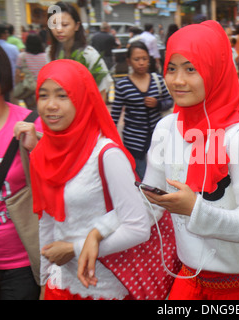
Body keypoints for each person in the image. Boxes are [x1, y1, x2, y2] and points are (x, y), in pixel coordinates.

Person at [142, 20, 239, 300]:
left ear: (215, 70)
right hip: (190, 279)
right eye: (172, 68)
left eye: (191, 69)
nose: (178, 80)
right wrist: (94, 233)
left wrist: (195, 209)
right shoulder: (166, 129)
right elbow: (148, 206)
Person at [14, 59, 151, 300]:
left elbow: (138, 227)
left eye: (63, 96)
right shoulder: (44, 152)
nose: (51, 105)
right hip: (59, 284)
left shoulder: (106, 154)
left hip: (103, 288)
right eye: (43, 96)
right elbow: (46, 221)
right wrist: (45, 282)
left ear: (82, 98)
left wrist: (74, 249)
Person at [0, 39, 42, 300]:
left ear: (2, 77)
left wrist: (38, 150)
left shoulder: (29, 123)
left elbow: (56, 185)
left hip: (21, 264)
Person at [110, 41, 173, 180]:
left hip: (158, 139)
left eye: (145, 59)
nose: (141, 63)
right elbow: (115, 114)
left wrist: (158, 104)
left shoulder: (157, 80)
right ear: (129, 61)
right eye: (136, 59)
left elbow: (170, 101)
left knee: (161, 176)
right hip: (134, 141)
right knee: (143, 180)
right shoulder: (122, 85)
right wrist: (109, 138)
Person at [46, 1, 112, 102]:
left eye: (65, 25)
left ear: (77, 26)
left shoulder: (88, 54)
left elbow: (102, 90)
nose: (59, 30)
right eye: (54, 25)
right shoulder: (50, 53)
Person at [15, 34, 47, 110]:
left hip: (28, 87)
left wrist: (18, 84)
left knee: (31, 110)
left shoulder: (22, 56)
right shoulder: (46, 56)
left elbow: (17, 73)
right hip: (43, 86)